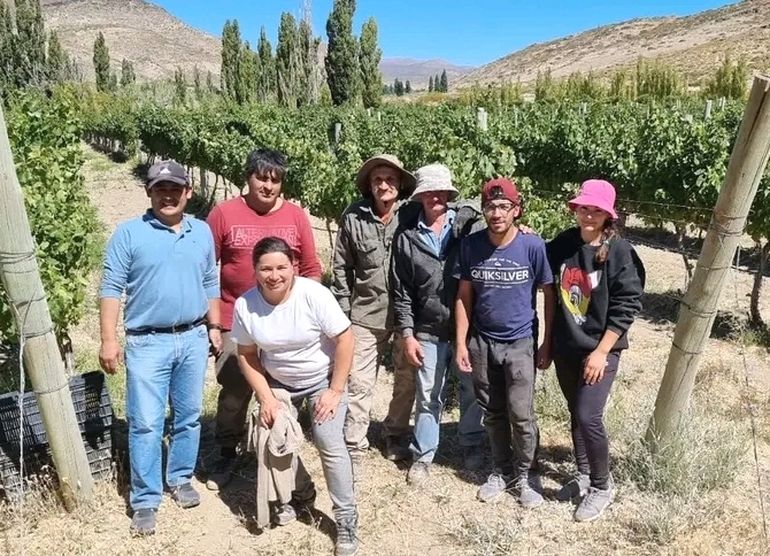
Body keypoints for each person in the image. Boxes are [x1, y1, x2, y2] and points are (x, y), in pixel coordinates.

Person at [98, 160, 221, 536]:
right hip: (148, 341)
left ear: (188, 192)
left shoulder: (201, 231)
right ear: (149, 192)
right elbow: (110, 288)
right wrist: (108, 338)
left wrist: (214, 326)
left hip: (193, 336)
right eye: (159, 188)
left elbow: (209, 280)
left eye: (174, 188)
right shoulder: (129, 234)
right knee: (147, 423)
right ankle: (146, 499)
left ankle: (181, 477)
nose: (167, 195)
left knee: (188, 415)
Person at [231, 236, 358, 556]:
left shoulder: (314, 295)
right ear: (255, 270)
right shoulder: (246, 305)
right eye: (266, 269)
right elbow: (246, 354)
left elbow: (345, 340)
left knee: (329, 442)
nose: (274, 275)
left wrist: (334, 391)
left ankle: (345, 519)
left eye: (281, 267)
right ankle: (297, 496)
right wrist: (266, 398)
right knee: (273, 440)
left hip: (322, 380)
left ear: (294, 267)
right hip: (279, 382)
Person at [205, 149, 323, 491]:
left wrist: (304, 310)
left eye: (275, 179)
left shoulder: (296, 216)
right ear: (248, 177)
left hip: (287, 324)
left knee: (280, 390)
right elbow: (205, 270)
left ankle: (278, 452)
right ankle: (228, 449)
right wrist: (213, 322)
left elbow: (312, 269)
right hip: (234, 318)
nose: (268, 185)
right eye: (262, 177)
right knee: (235, 388)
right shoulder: (224, 214)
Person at [546, 179, 644, 522]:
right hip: (567, 346)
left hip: (600, 349)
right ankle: (584, 473)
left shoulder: (619, 252)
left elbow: (626, 306)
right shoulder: (565, 244)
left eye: (596, 210)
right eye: (583, 207)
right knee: (575, 411)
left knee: (589, 415)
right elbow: (537, 257)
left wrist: (602, 352)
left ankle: (603, 486)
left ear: (607, 215)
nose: (588, 214)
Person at [454, 177, 555, 509]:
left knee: (521, 414)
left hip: (520, 342)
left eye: (503, 206)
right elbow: (463, 297)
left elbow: (549, 295)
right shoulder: (471, 246)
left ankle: (526, 476)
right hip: (483, 343)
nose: (496, 213)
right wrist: (460, 343)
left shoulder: (532, 246)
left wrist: (546, 343)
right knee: (494, 412)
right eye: (490, 207)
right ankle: (500, 469)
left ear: (516, 209)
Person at [390, 163, 486, 486]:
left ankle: (472, 444)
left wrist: (524, 230)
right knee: (429, 394)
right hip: (427, 330)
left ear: (448, 194)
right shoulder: (407, 237)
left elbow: (500, 229)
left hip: (465, 329)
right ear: (420, 196)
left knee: (472, 389)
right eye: (428, 192)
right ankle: (423, 455)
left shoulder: (467, 229)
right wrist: (407, 334)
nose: (435, 197)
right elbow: (401, 292)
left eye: (440, 191)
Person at [331, 154, 420, 470]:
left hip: (407, 316)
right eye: (377, 179)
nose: (384, 185)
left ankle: (395, 435)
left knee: (406, 379)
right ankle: (354, 441)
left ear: (399, 184)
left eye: (390, 179)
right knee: (359, 381)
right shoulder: (354, 218)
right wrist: (342, 313)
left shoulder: (412, 214)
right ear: (369, 185)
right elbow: (341, 268)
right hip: (365, 314)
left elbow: (451, 210)